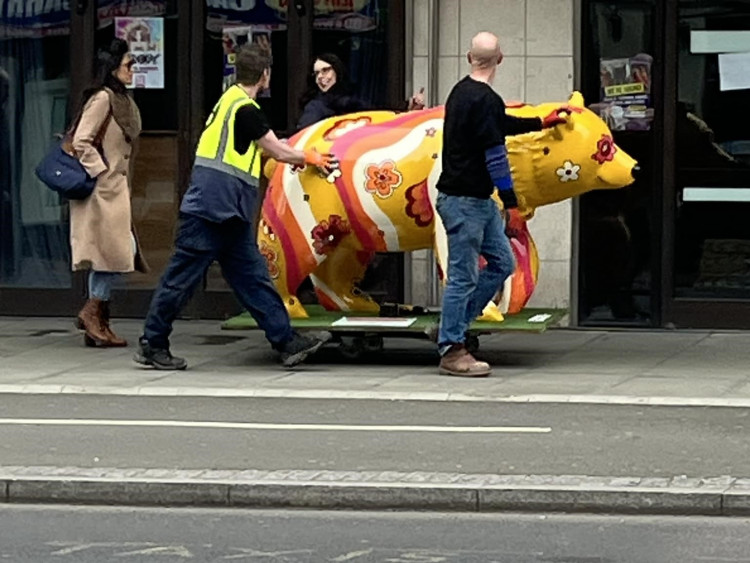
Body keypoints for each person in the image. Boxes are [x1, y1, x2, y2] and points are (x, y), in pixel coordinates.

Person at [134, 44, 337, 370]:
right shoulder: (245, 109)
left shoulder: (228, 103)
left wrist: (286, 152)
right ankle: (152, 343)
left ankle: (286, 342)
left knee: (253, 279)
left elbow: (261, 147)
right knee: (180, 281)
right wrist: (311, 157)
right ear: (265, 75)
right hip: (210, 212)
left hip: (227, 213)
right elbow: (277, 149)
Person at [435, 32, 571, 377]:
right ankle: (451, 349)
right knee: (463, 278)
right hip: (466, 202)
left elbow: (500, 125)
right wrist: (511, 203)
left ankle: (455, 327)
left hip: (472, 201)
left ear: (469, 57)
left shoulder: (460, 93)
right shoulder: (487, 100)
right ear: (501, 59)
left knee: (502, 262)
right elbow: (496, 157)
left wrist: (541, 122)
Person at [71, 38, 146, 348]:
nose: (133, 70)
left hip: (116, 190)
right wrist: (101, 172)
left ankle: (99, 321)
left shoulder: (121, 98)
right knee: (115, 252)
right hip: (102, 191)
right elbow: (80, 141)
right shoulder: (102, 98)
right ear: (114, 68)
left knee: (110, 254)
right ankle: (92, 312)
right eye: (129, 65)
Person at [296, 52, 425, 131]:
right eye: (316, 73)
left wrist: (408, 107)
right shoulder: (315, 106)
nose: (320, 77)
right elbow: (304, 137)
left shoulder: (352, 99)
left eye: (325, 70)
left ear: (337, 70)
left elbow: (377, 114)